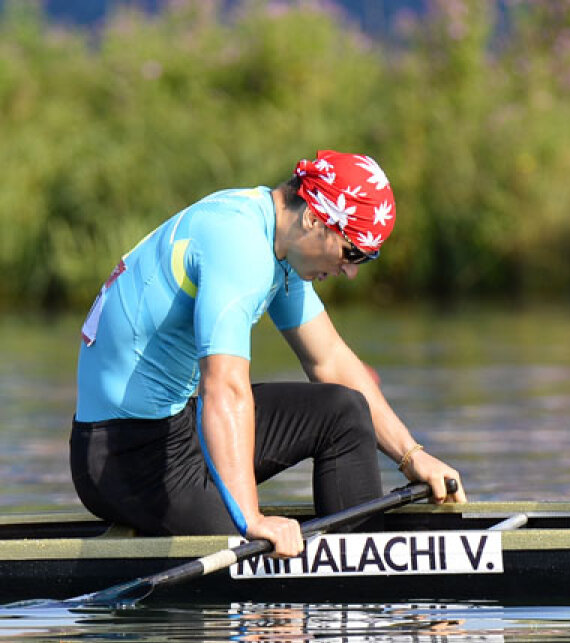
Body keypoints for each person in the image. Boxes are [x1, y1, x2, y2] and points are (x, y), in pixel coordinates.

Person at [70, 149, 466, 557]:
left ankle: (359, 569)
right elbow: (223, 388)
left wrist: (412, 456)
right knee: (249, 536)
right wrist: (252, 520)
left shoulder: (271, 234)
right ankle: (355, 588)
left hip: (177, 429)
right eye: (352, 253)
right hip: (121, 460)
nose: (351, 272)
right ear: (314, 219)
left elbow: (328, 359)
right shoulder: (238, 247)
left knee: (343, 411)